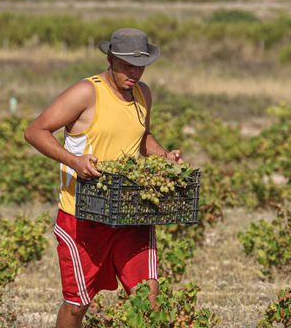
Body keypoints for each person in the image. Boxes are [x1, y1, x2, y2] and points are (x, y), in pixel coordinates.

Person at [24, 28, 182, 328]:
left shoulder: (142, 93)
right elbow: (34, 131)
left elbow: (141, 136)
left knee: (148, 297)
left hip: (130, 212)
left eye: (141, 65)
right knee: (77, 304)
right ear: (110, 59)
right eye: (127, 65)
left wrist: (164, 157)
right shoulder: (86, 92)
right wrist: (74, 161)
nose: (134, 72)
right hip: (82, 215)